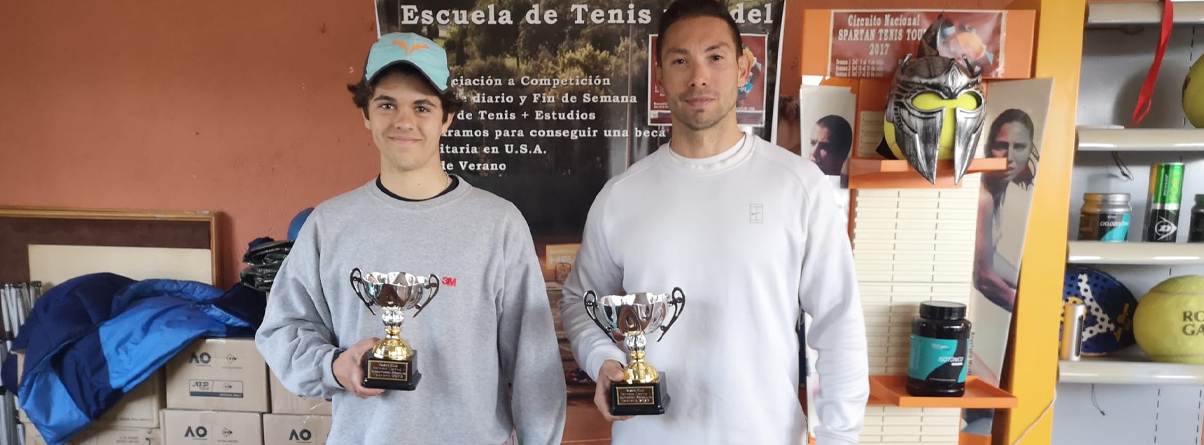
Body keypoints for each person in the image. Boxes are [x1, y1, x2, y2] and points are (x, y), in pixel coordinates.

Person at [559, 1, 869, 443]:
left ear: (744, 68)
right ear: (660, 75)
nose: (698, 76)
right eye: (680, 60)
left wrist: (840, 437)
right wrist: (604, 360)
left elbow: (839, 326)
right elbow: (579, 302)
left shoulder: (799, 187)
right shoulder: (620, 197)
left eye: (716, 57)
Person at [255, 32, 566, 445]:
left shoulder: (498, 224)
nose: (404, 121)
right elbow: (281, 330)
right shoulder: (329, 224)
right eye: (387, 104)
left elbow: (534, 362)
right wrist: (333, 367)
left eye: (422, 106)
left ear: (446, 117)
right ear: (366, 112)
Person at [973, 108, 1038, 312]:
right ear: (988, 148)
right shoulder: (983, 197)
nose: (1009, 157)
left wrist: (1031, 287)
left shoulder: (999, 190)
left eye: (1019, 147)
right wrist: (1030, 309)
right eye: (1001, 146)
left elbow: (986, 257)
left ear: (1030, 150)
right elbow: (983, 277)